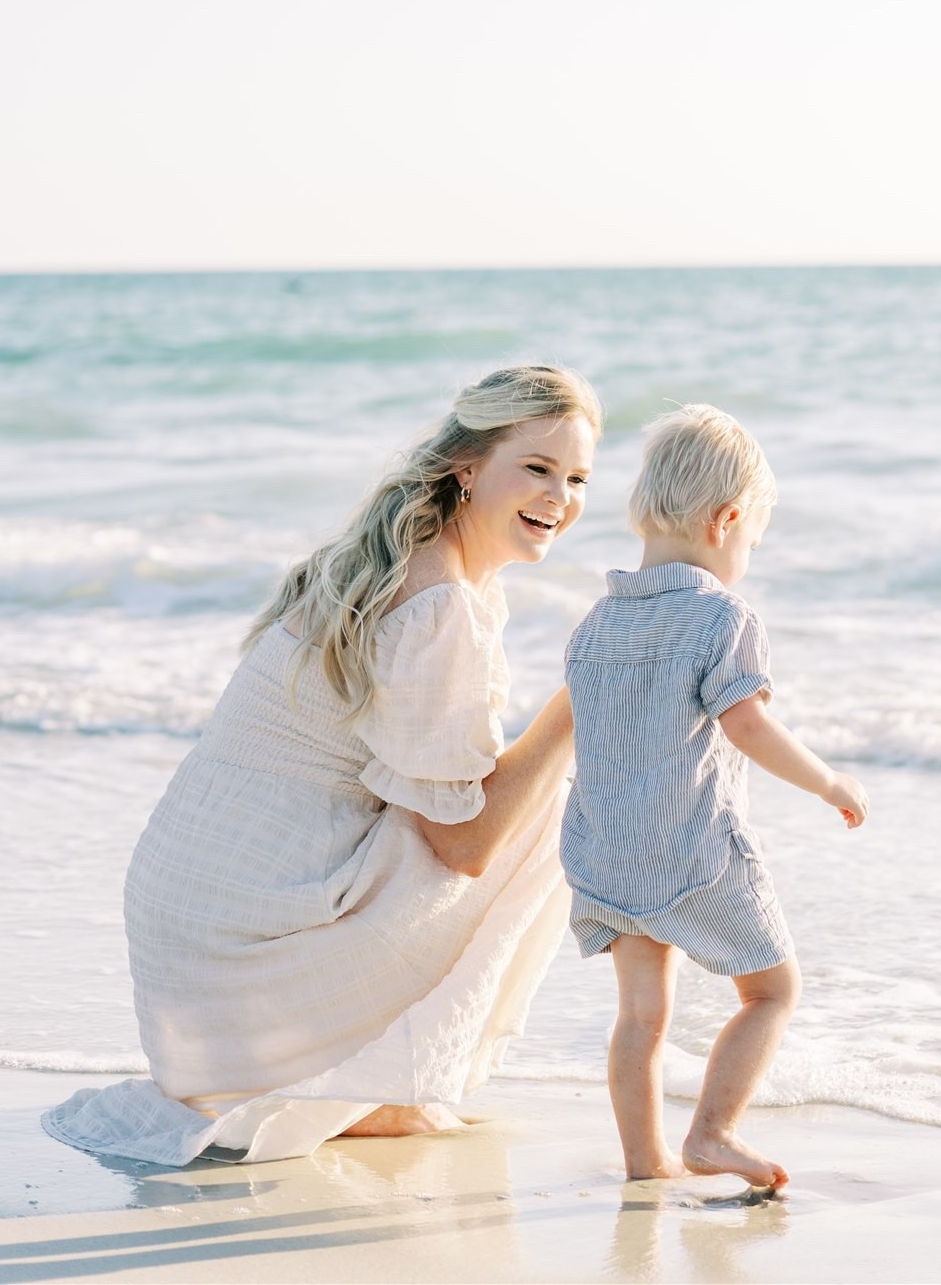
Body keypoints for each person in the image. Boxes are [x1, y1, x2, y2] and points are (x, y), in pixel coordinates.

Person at [44, 364, 601, 1168]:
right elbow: (466, 848)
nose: (560, 498)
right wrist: (580, 695)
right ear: (468, 467)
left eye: (578, 477)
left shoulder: (392, 558)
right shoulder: (438, 598)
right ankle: (365, 1083)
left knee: (502, 791)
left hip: (193, 937)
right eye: (539, 468)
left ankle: (355, 1076)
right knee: (543, 808)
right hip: (240, 951)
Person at [561, 404, 868, 1190]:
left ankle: (644, 1164)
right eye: (751, 544)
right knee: (770, 990)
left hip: (605, 851)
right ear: (728, 519)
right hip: (690, 850)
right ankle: (713, 1133)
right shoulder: (720, 615)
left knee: (640, 1015)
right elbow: (749, 727)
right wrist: (828, 781)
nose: (747, 559)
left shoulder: (594, 624)